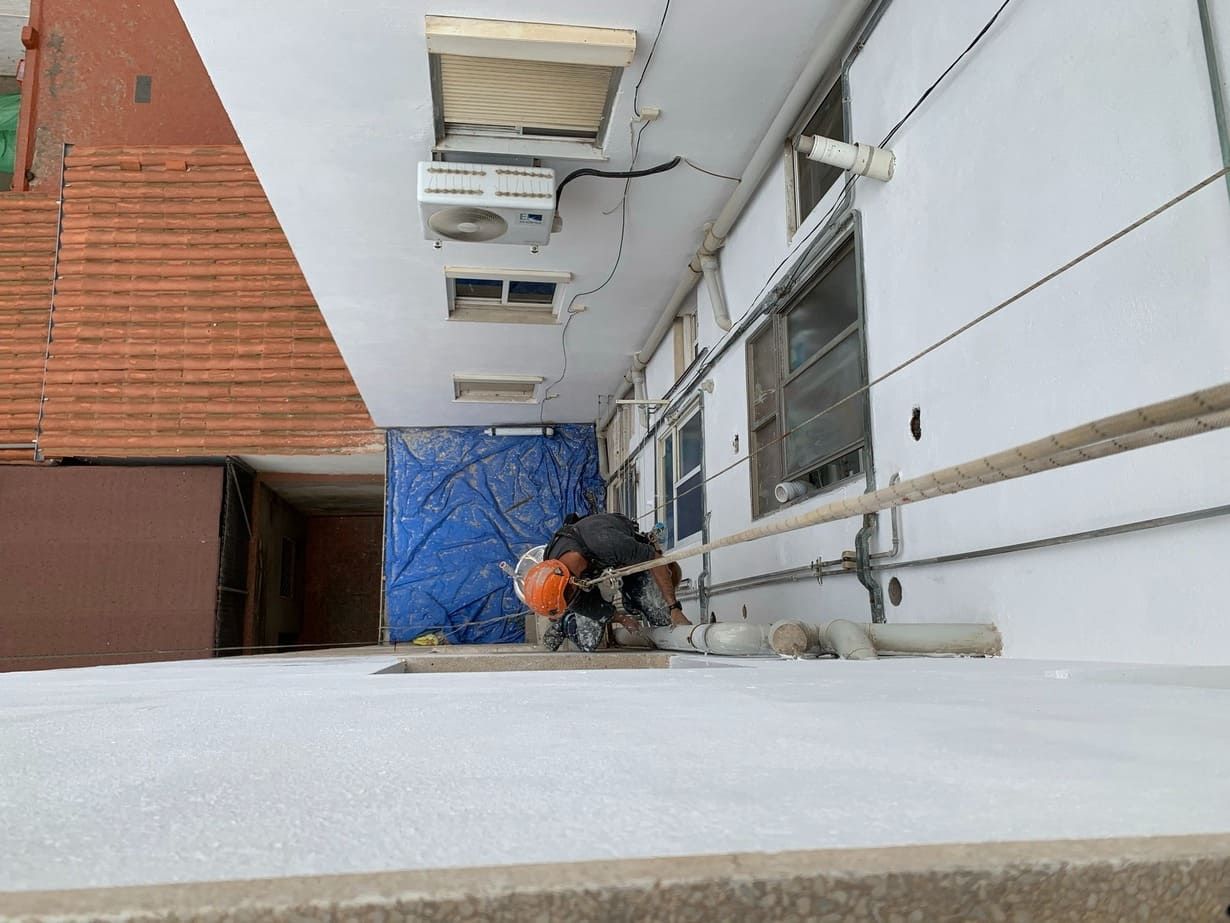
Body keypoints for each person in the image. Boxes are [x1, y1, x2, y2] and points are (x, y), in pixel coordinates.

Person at [523, 512, 690, 652]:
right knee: (589, 643)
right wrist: (620, 618)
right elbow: (584, 605)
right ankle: (566, 624)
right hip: (590, 578)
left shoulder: (608, 543)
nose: (570, 603)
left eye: (567, 602)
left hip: (621, 561)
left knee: (661, 616)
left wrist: (674, 608)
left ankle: (633, 601)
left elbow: (655, 559)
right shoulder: (554, 569)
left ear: (571, 583)